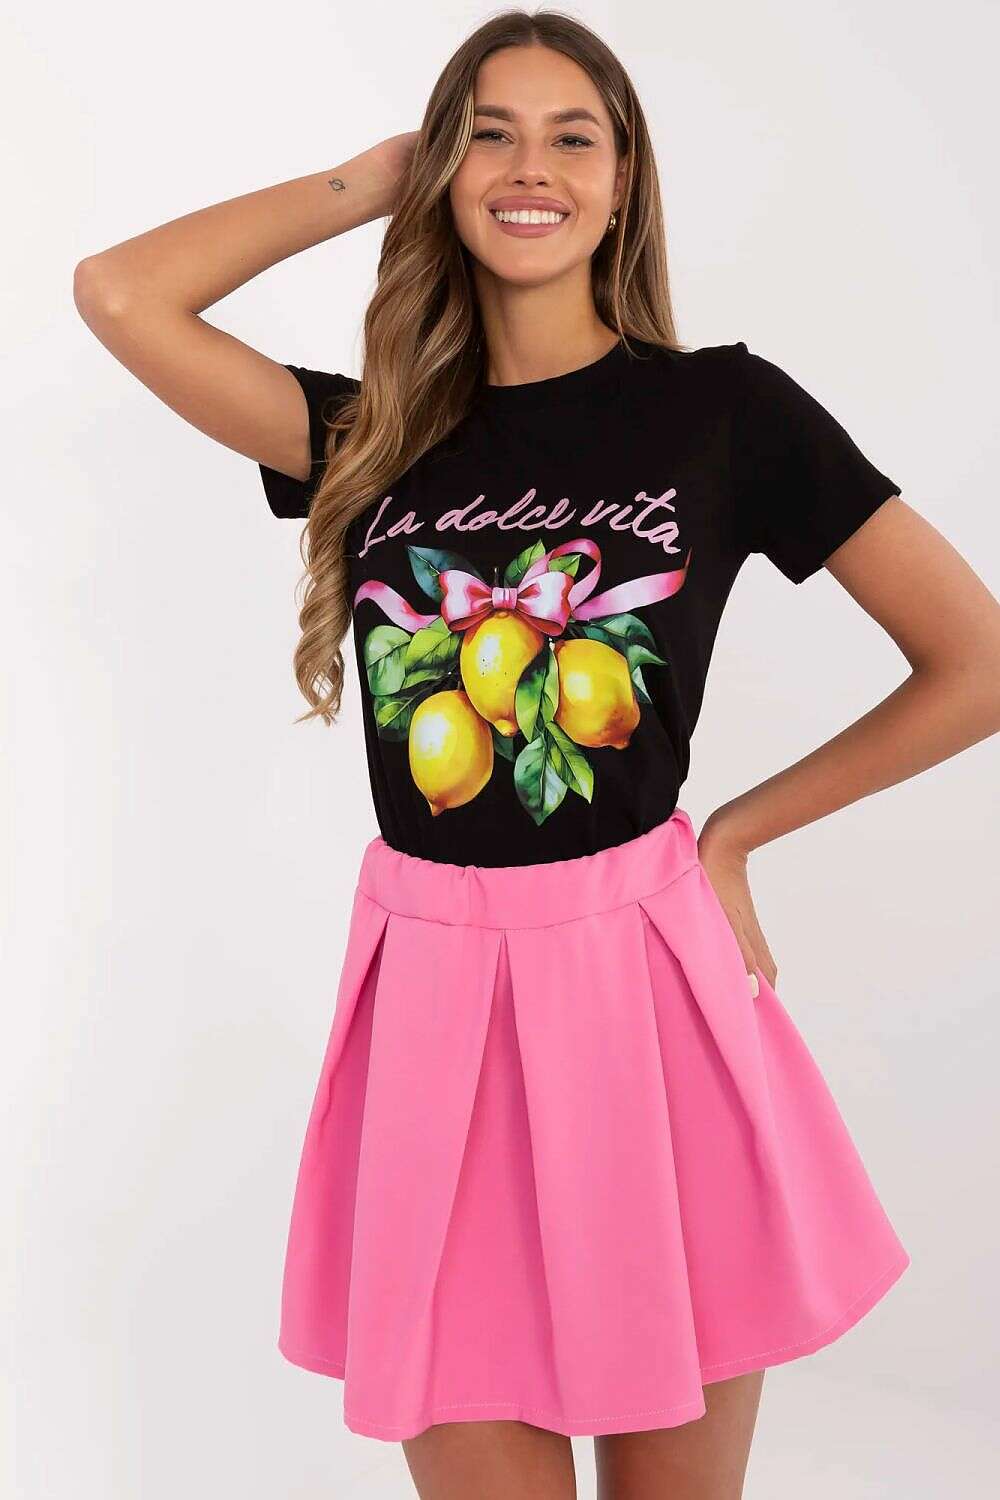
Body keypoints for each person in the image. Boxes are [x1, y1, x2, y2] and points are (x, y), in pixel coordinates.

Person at [73, 9, 1000, 1499]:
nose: (531, 168)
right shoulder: (368, 435)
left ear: (625, 183)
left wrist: (736, 836)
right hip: (430, 1004)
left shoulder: (724, 412)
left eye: (575, 138)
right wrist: (370, 180)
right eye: (490, 135)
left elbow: (978, 662)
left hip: (648, 986)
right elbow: (119, 293)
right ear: (445, 168)